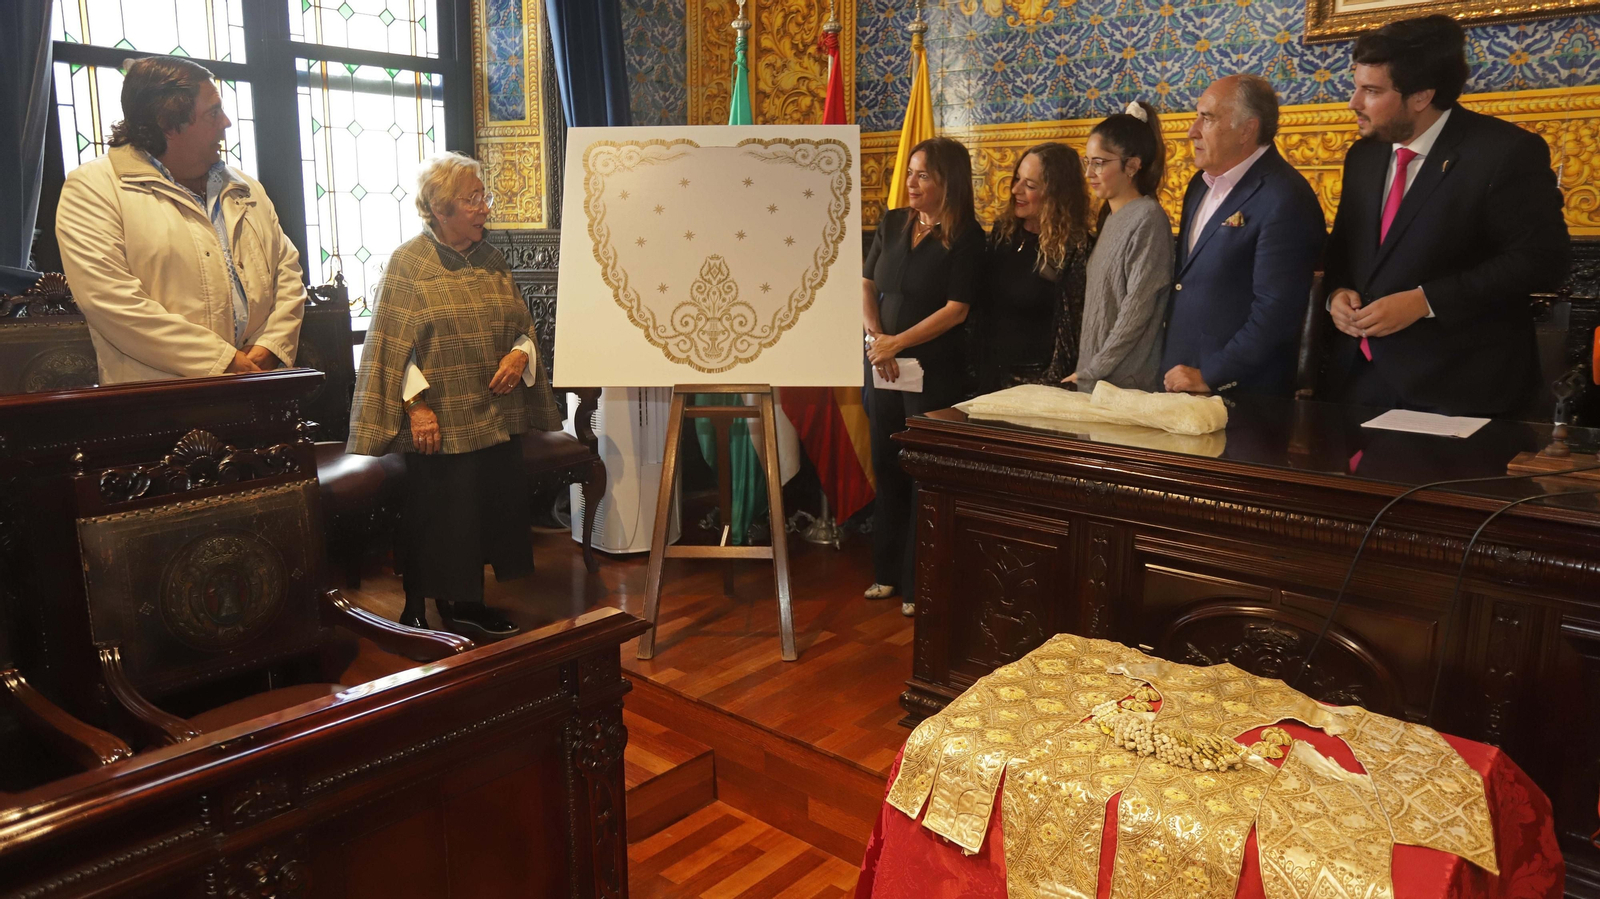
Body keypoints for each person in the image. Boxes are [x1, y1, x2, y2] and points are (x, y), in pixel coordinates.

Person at [347, 152, 563, 638]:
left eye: (483, 197)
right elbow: (390, 346)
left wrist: (521, 355)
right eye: (472, 200)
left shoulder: (491, 257)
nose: (485, 207)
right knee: (440, 515)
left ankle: (467, 604)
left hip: (493, 412)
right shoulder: (410, 263)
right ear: (440, 209)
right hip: (439, 418)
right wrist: (416, 408)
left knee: (485, 511)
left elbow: (522, 324)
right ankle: (420, 608)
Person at [1323, 15, 1570, 417]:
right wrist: (1336, 295)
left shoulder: (1504, 153)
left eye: (1371, 91)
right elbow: (1344, 252)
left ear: (1421, 96)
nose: (1354, 103)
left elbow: (1542, 261)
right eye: (1357, 87)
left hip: (1460, 391)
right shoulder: (1363, 155)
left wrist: (1426, 301)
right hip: (1358, 384)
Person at [56, 56, 306, 384]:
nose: (226, 122)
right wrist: (224, 361)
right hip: (159, 404)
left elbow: (287, 272)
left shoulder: (246, 187)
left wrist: (270, 347)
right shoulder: (93, 188)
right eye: (213, 112)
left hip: (261, 387)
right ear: (169, 123)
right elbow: (112, 302)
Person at [862, 137, 984, 616]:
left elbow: (956, 311)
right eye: (910, 173)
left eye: (922, 175)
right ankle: (886, 574)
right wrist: (877, 338)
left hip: (931, 371)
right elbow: (867, 282)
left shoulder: (968, 236)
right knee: (886, 462)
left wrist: (899, 342)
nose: (910, 183)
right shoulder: (894, 222)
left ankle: (919, 583)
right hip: (882, 364)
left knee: (922, 474)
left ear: (947, 182)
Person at [1163, 75, 1326, 397]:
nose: (1191, 130)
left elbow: (1276, 310)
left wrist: (1212, 375)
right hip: (1179, 382)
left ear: (1247, 129)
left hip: (1241, 397)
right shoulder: (1199, 185)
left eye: (1206, 118)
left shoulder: (1285, 197)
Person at [1066, 101, 1172, 392]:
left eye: (1099, 162)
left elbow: (1136, 312)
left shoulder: (1148, 218)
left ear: (1133, 166)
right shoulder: (1111, 217)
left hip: (1125, 383)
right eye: (1086, 161)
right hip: (1097, 378)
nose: (1089, 173)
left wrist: (1095, 369)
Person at [975, 142, 1091, 393]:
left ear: (1056, 193)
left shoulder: (1074, 247)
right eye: (1017, 179)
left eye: (1030, 185)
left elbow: (1072, 330)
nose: (1016, 190)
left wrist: (1050, 383)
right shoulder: (1003, 233)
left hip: (1038, 383)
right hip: (990, 375)